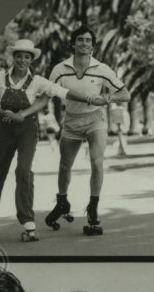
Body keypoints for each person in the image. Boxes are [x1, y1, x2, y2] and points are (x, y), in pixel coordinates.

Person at [0, 39, 105, 242]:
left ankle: (27, 220)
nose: (23, 60)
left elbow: (63, 92)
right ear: (13, 57)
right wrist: (9, 115)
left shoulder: (38, 81)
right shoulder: (0, 77)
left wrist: (88, 98)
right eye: (19, 56)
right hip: (6, 128)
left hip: (27, 129)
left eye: (27, 57)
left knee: (23, 170)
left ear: (31, 59)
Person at [45, 25, 132, 236]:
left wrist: (107, 97)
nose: (85, 43)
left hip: (96, 119)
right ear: (72, 44)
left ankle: (93, 208)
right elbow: (48, 92)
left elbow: (125, 94)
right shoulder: (60, 69)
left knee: (96, 161)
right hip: (72, 121)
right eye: (80, 40)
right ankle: (62, 201)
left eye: (88, 41)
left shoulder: (102, 69)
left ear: (93, 46)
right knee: (65, 165)